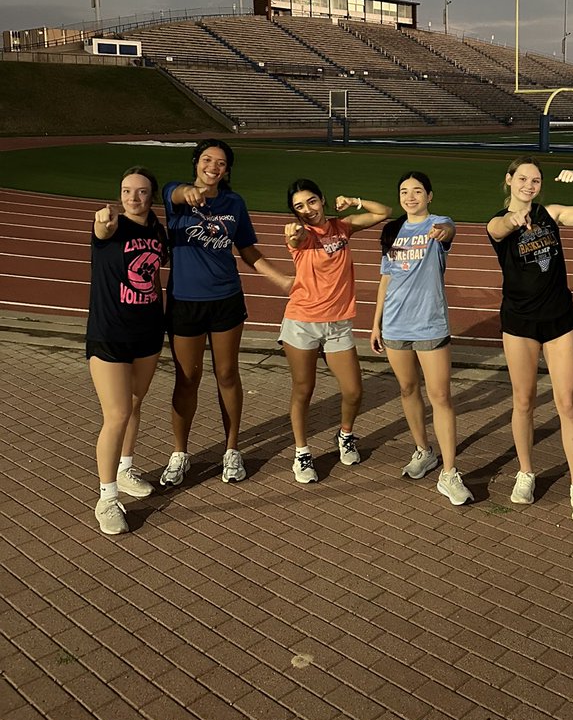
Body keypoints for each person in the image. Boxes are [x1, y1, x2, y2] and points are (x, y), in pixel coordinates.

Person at [160, 139, 292, 488]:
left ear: (227, 170)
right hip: (185, 301)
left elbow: (247, 250)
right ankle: (179, 453)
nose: (213, 167)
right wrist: (189, 193)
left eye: (220, 163)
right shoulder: (176, 196)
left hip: (226, 299)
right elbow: (175, 193)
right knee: (187, 378)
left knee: (227, 374)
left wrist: (281, 280)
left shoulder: (234, 203)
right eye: (207, 160)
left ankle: (232, 450)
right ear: (196, 162)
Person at [487, 157, 573, 522]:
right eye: (523, 178)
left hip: (558, 319)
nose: (529, 185)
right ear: (509, 180)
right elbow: (499, 228)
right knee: (523, 400)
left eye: (536, 180)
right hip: (519, 322)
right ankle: (526, 472)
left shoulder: (550, 213)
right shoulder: (497, 220)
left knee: (568, 402)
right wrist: (514, 219)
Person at [370, 171, 474, 507]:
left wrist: (443, 232)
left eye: (417, 191)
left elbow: (449, 230)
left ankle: (449, 472)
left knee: (440, 396)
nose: (410, 196)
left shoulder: (438, 224)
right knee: (407, 389)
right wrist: (376, 324)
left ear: (429, 196)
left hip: (429, 325)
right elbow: (386, 280)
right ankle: (423, 450)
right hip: (395, 326)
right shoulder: (393, 231)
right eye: (404, 191)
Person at [280, 178, 391, 481]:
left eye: (312, 201)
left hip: (338, 324)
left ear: (323, 199)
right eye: (299, 206)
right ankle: (302, 453)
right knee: (303, 389)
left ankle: (345, 435)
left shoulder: (342, 228)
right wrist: (294, 234)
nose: (308, 209)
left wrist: (355, 200)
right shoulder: (301, 234)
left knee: (354, 391)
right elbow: (296, 239)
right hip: (302, 323)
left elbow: (383, 212)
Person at [87, 168, 167, 535]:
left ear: (152, 196)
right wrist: (102, 222)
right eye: (126, 191)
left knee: (134, 403)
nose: (133, 197)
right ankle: (106, 499)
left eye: (141, 191)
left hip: (148, 332)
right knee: (117, 414)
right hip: (110, 334)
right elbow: (101, 230)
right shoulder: (112, 226)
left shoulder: (156, 230)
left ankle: (125, 468)